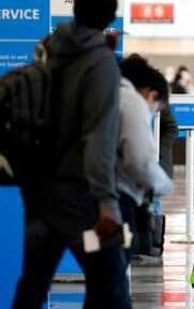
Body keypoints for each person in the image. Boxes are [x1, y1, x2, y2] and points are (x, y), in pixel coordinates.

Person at [12, 0, 132, 308]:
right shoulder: (100, 61)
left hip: (39, 190)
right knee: (112, 286)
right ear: (110, 15)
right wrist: (107, 203)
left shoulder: (49, 50)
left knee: (33, 285)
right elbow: (98, 138)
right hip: (82, 200)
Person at [117, 56, 174, 264]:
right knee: (113, 270)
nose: (151, 113)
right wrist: (165, 185)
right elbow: (139, 161)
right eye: (155, 109)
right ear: (151, 94)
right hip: (113, 202)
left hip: (73, 197)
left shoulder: (103, 92)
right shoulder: (131, 101)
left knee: (101, 268)